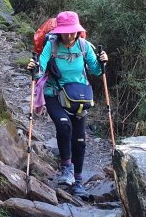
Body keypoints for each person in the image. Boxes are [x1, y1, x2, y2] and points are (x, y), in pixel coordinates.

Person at [27, 11, 108, 196]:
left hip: (78, 97)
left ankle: (78, 182)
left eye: (73, 31)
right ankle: (66, 169)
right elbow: (41, 68)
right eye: (66, 32)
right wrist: (34, 68)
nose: (70, 35)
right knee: (64, 126)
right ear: (59, 31)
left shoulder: (84, 46)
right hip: (54, 94)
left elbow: (95, 70)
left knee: (80, 140)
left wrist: (103, 63)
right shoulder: (51, 46)